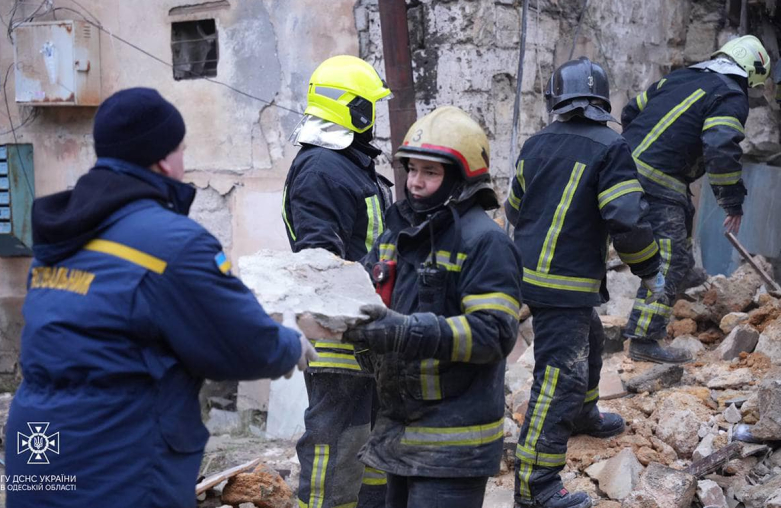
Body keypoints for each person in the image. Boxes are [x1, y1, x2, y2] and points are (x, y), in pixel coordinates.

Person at [4, 88, 315, 508]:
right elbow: (241, 342)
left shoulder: (63, 232)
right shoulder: (172, 243)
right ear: (164, 158)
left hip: (36, 443)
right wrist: (290, 345)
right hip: (116, 454)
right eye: (181, 149)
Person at [344, 106, 521, 508]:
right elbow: (360, 291)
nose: (416, 183)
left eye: (431, 173)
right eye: (412, 170)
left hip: (453, 447)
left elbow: (493, 333)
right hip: (398, 435)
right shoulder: (396, 235)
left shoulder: (484, 243)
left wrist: (406, 331)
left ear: (460, 178)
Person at [505, 58, 662, 508]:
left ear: (556, 99)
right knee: (559, 379)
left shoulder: (535, 144)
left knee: (590, 339)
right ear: (601, 100)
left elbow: (515, 209)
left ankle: (582, 415)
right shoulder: (612, 147)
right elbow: (627, 219)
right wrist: (649, 269)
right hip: (565, 284)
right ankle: (535, 486)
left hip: (525, 274)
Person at [282, 55, 392, 508]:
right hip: (337, 333)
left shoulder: (348, 165)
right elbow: (320, 258)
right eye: (371, 107)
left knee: (371, 442)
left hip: (366, 327)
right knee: (335, 444)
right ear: (356, 111)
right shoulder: (320, 170)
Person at [620, 35, 770, 363]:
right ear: (752, 71)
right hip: (658, 179)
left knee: (679, 225)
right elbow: (719, 146)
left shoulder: (681, 77)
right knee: (667, 258)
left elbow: (631, 110)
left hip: (620, 167)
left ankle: (685, 275)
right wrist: (731, 202)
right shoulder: (730, 94)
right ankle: (644, 340)